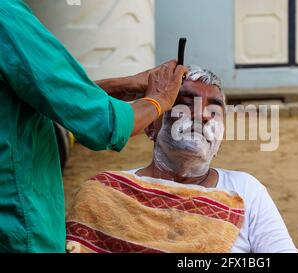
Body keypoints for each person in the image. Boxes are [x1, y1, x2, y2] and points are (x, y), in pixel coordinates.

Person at [0, 0, 187, 252]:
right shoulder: (6, 18)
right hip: (15, 228)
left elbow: (42, 95)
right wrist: (158, 100)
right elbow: (103, 124)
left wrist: (120, 87)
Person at [66, 66, 298, 253]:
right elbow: (56, 104)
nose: (203, 115)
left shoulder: (246, 191)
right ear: (150, 126)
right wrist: (126, 84)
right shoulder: (105, 193)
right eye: (185, 106)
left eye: (215, 112)